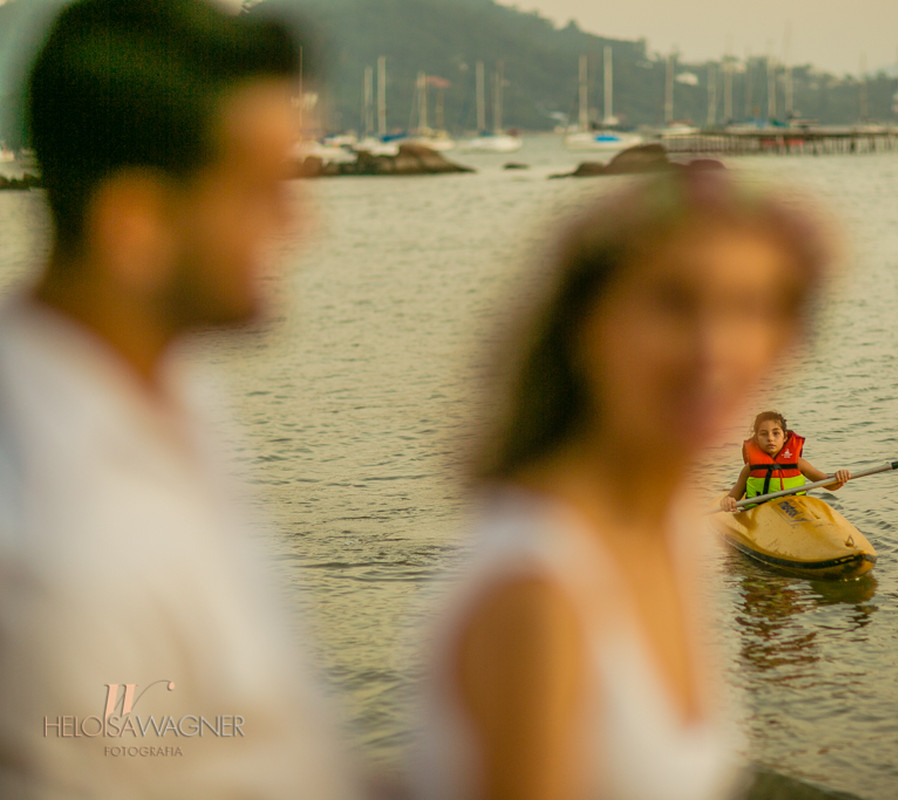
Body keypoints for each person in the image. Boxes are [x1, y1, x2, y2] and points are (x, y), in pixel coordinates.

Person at [0, 1, 376, 797]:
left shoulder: (156, 387)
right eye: (261, 193)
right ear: (137, 222)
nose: (301, 226)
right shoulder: (57, 551)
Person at [410, 166, 839, 800]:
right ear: (587, 323)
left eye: (750, 308)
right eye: (673, 302)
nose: (713, 350)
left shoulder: (670, 529)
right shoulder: (539, 590)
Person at [718, 410, 851, 512]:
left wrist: (839, 477)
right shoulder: (749, 468)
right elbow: (733, 497)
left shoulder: (799, 463)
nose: (770, 438)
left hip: (793, 512)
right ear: (756, 439)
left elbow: (829, 484)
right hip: (758, 514)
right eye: (764, 434)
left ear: (785, 437)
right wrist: (728, 502)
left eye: (776, 433)